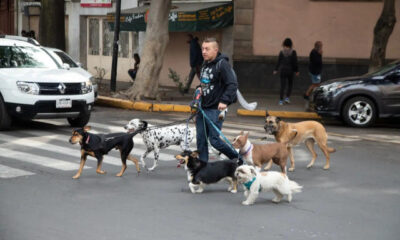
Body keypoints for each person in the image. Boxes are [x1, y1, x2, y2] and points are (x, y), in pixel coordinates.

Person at [195, 37, 242, 165]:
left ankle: (237, 158)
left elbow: (232, 84)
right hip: (203, 108)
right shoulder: (205, 64)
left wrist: (224, 101)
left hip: (217, 110)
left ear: (216, 50)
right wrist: (199, 90)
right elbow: (206, 83)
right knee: (201, 139)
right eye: (203, 49)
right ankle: (202, 166)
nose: (204, 51)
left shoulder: (222, 64)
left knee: (214, 141)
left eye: (207, 49)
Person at [273, 38, 299, 105]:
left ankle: (281, 101)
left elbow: (278, 61)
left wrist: (276, 69)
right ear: (291, 44)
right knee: (290, 85)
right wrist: (296, 71)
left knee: (282, 86)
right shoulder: (293, 52)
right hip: (290, 71)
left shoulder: (282, 52)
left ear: (284, 43)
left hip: (283, 70)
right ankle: (287, 98)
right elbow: (295, 62)